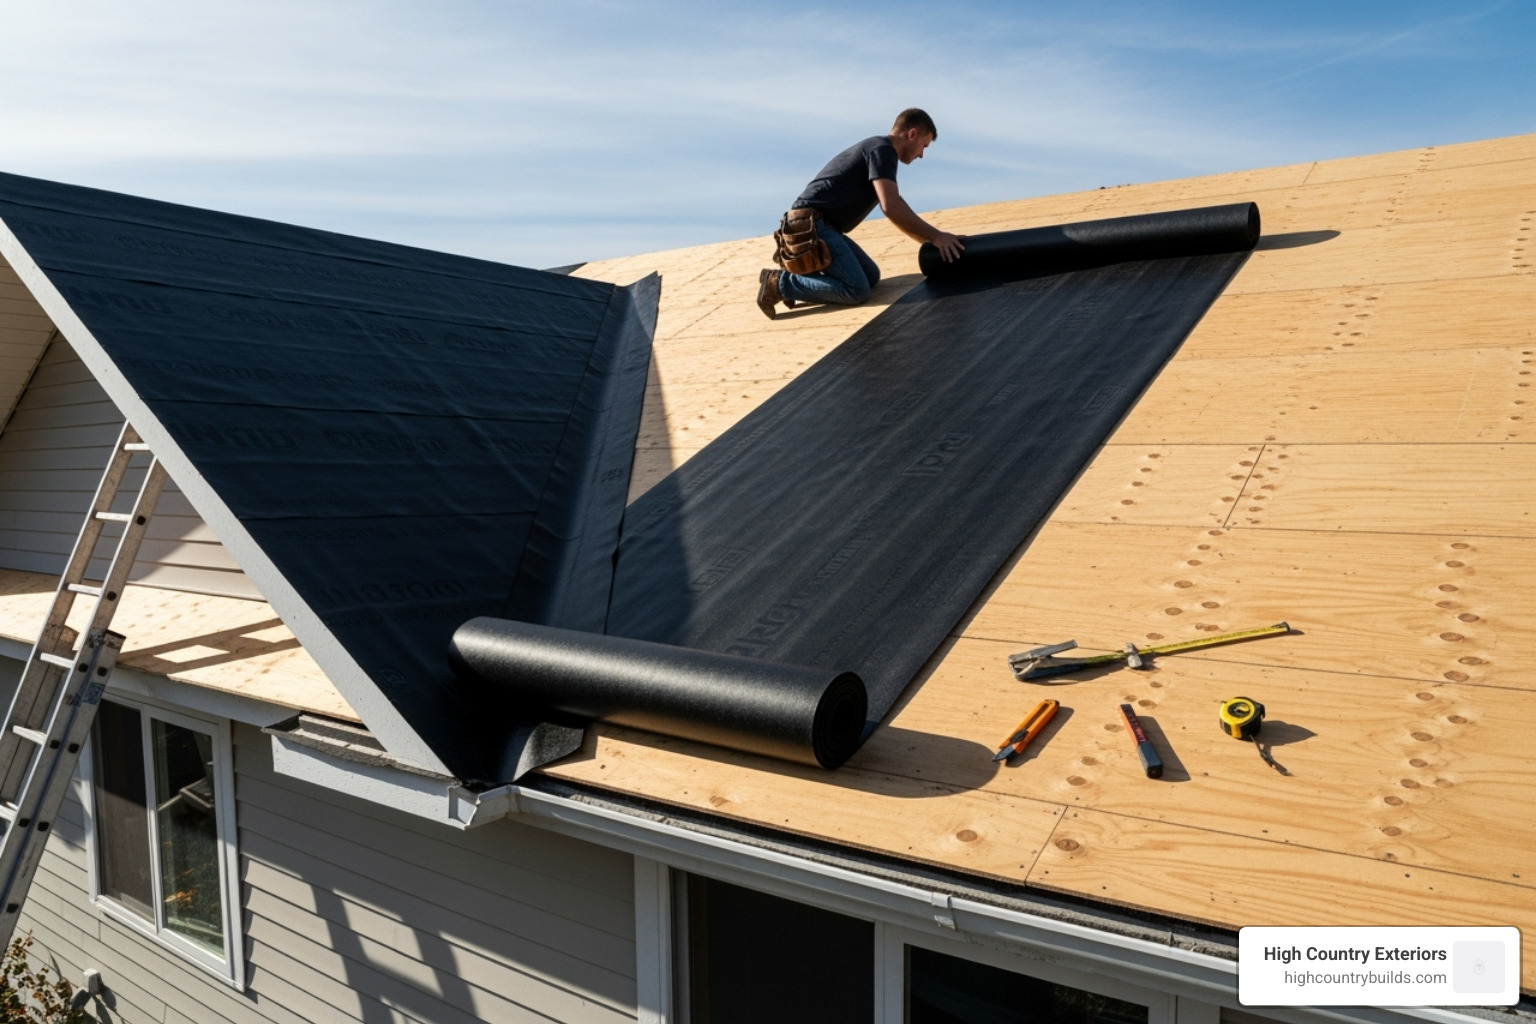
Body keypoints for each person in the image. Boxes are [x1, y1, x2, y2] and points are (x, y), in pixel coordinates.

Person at [757, 108, 964, 319]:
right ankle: (781, 284)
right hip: (811, 224)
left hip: (821, 226)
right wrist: (936, 237)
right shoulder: (882, 150)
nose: (921, 154)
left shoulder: (879, 150)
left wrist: (929, 241)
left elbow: (896, 202)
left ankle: (803, 279)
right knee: (857, 290)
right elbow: (891, 207)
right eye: (924, 146)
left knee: (871, 276)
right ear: (912, 134)